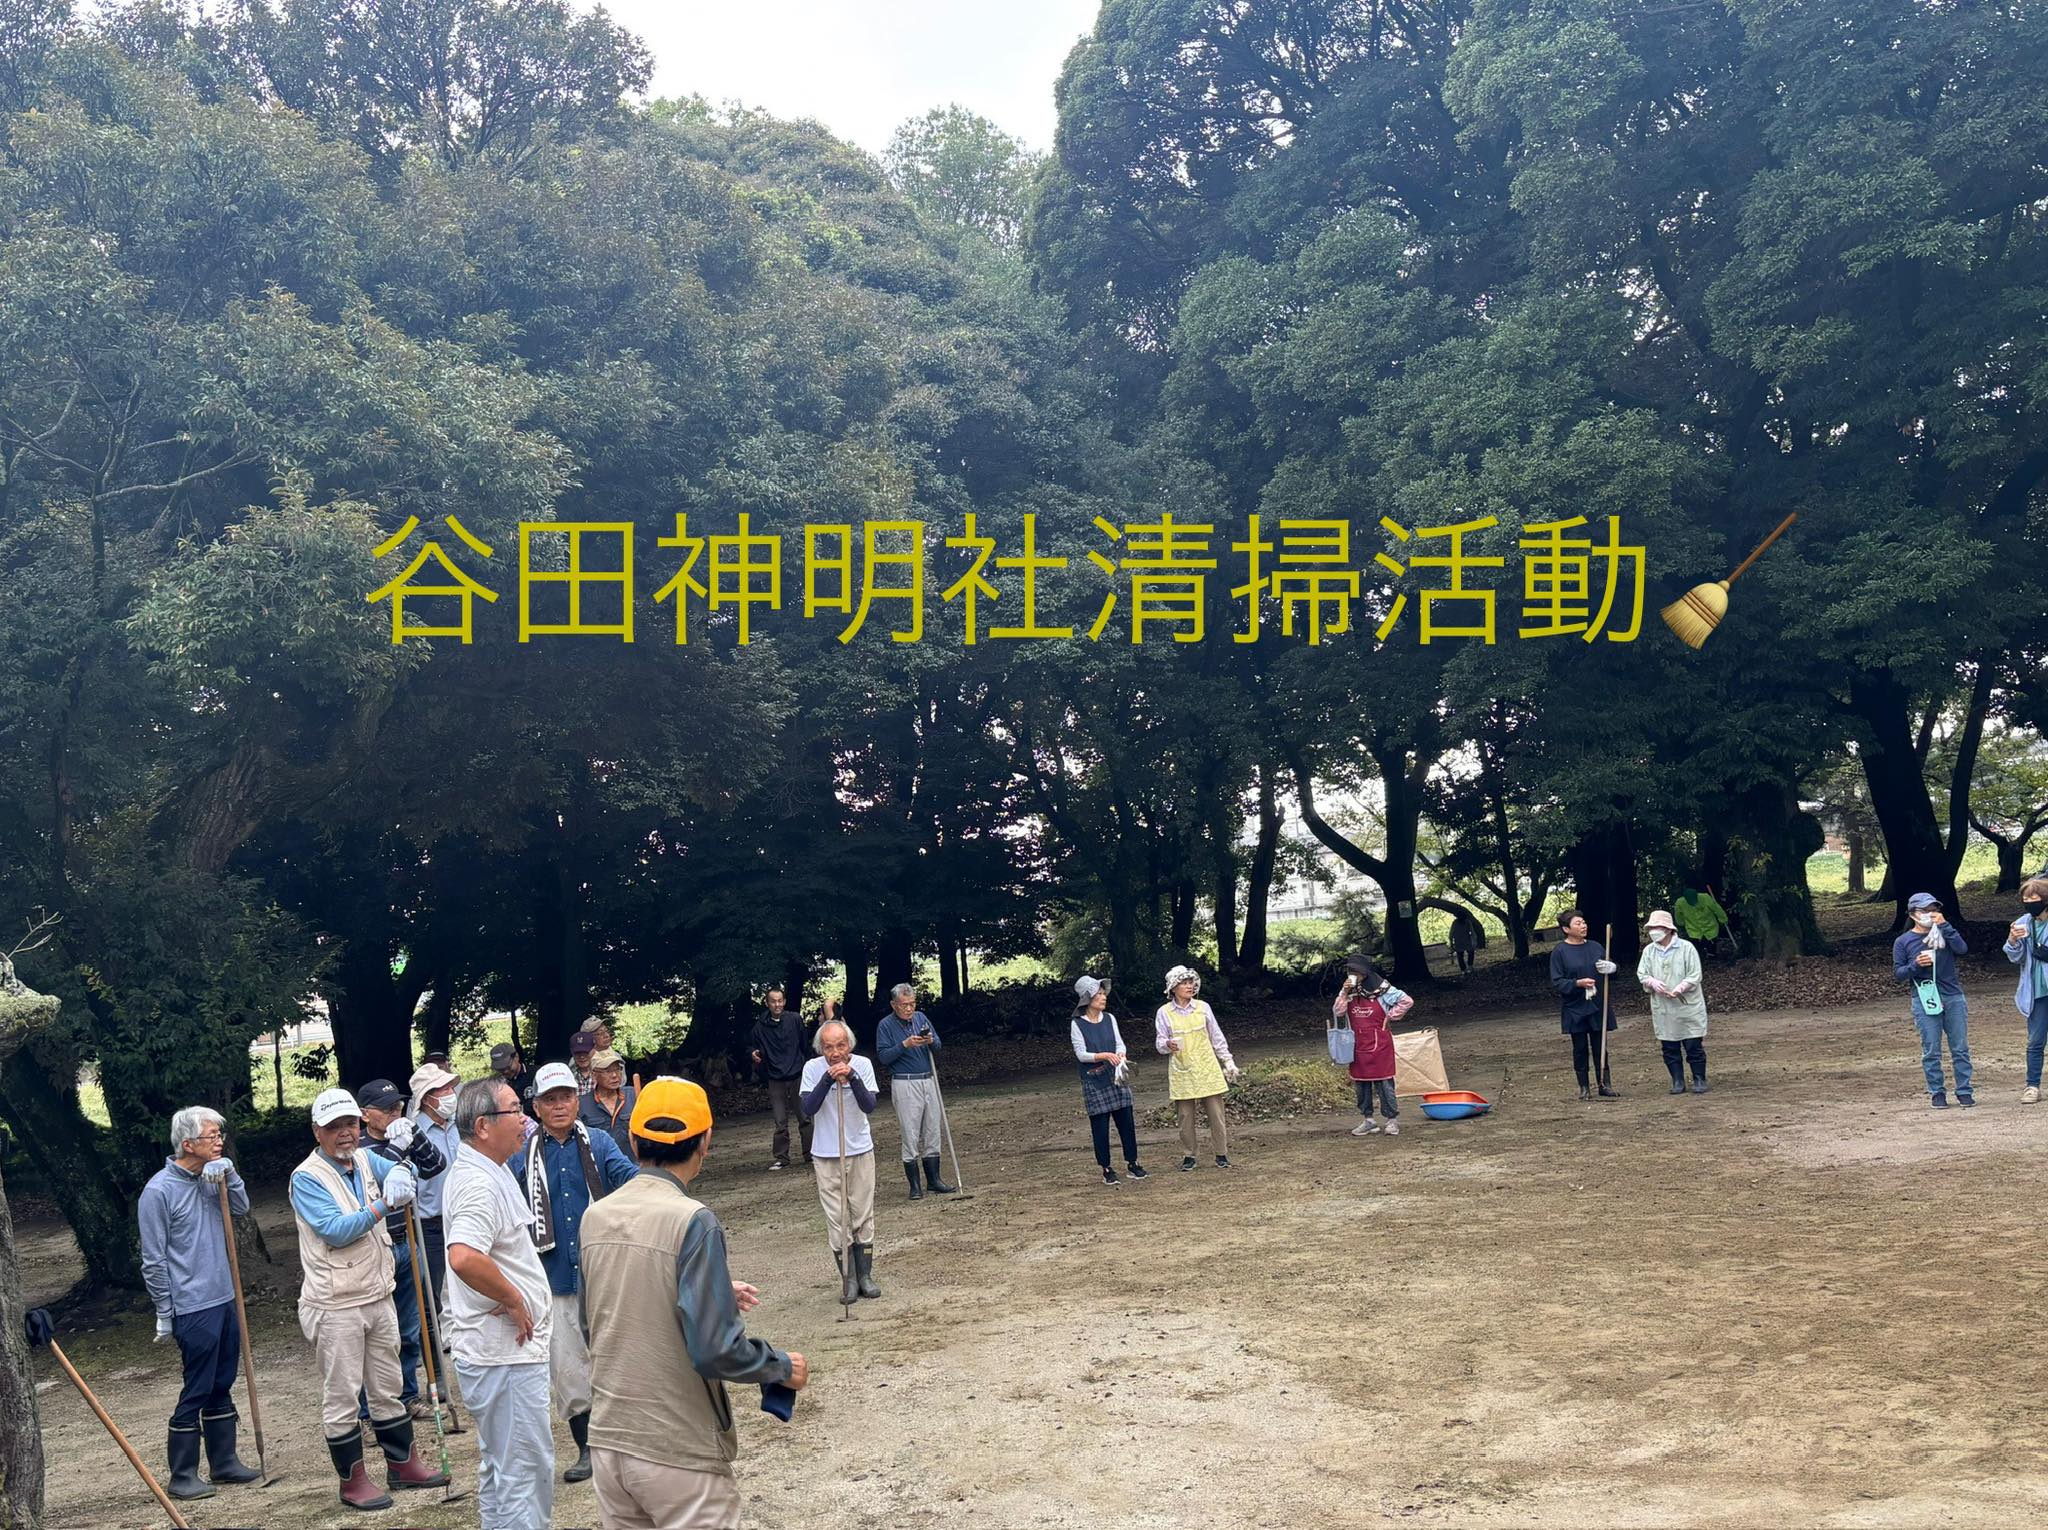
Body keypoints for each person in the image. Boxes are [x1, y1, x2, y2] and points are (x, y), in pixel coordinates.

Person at [580, 1077, 807, 1528]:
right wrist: (781, 1366)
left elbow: (596, 1321)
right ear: (706, 1140)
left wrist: (711, 1288)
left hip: (610, 1443)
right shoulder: (694, 1221)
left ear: (631, 1137)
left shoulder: (596, 1215)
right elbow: (715, 1349)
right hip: (677, 1447)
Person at [289, 1088, 447, 1511]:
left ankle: (402, 1464)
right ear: (317, 1132)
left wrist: (403, 1169)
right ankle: (353, 1480)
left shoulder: (362, 1158)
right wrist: (383, 1203)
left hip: (377, 1293)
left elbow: (404, 1171)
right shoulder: (306, 1177)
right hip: (335, 1301)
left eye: (350, 1125)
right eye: (334, 1127)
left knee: (388, 1384)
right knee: (342, 1394)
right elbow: (337, 1230)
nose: (345, 1133)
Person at [512, 1062, 637, 1485]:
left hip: (603, 1270)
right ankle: (587, 1448)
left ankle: (625, 1437)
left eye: (566, 1096)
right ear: (536, 1106)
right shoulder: (521, 1155)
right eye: (550, 1099)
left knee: (616, 1353)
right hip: (553, 1276)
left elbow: (629, 1179)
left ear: (576, 1099)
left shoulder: (598, 1142)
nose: (560, 1105)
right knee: (567, 1364)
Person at [444, 1075, 556, 1530]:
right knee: (524, 1472)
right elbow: (464, 1256)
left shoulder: (489, 1169)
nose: (525, 1117)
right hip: (503, 1355)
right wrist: (511, 1297)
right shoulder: (478, 1183)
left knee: (504, 1469)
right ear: (485, 1125)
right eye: (515, 1110)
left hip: (501, 1354)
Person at [139, 1106, 260, 1501]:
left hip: (225, 1296)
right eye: (211, 1136)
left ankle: (223, 1461)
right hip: (192, 1305)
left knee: (222, 1381)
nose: (219, 1140)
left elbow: (241, 1209)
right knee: (198, 1385)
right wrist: (163, 1310)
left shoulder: (214, 1177)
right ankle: (182, 1474)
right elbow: (153, 1259)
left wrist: (229, 1173)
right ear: (187, 1143)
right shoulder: (158, 1191)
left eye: (219, 1135)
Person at [358, 1077, 449, 1422]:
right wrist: (397, 1150)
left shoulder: (403, 1132)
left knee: (410, 1327)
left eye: (398, 1106)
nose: (394, 1112)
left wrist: (415, 1135)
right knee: (377, 1332)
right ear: (367, 1115)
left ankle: (409, 1395)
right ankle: (369, 1411)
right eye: (386, 1109)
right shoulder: (360, 1147)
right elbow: (379, 1185)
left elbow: (436, 1165)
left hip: (407, 1241)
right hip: (374, 1248)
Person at [799, 1019, 882, 1298]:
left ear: (850, 1045)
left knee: (862, 1214)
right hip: (825, 1154)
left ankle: (866, 1276)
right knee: (837, 1218)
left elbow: (869, 1105)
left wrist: (853, 1077)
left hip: (859, 1149)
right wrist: (827, 1078)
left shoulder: (863, 1065)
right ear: (820, 1049)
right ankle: (847, 1279)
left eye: (840, 1046)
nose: (835, 1053)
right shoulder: (812, 1069)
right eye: (828, 1047)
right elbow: (808, 1108)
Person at [1155, 965, 1239, 1169]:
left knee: (1216, 1113)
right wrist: (1168, 1044)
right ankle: (1189, 1155)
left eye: (1191, 982)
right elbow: (1159, 1043)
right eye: (1184, 982)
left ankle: (1221, 1153)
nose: (1189, 986)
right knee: (1185, 1116)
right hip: (1182, 1069)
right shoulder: (1164, 1012)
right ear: (1173, 987)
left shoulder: (1203, 1007)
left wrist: (1227, 1061)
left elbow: (1216, 1037)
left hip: (1207, 1067)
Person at [876, 983, 955, 1198]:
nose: (909, 1009)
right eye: (904, 1005)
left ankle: (934, 1180)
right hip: (905, 1082)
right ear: (894, 1005)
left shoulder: (921, 1018)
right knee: (910, 1132)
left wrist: (930, 1040)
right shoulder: (885, 1025)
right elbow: (883, 1057)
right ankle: (914, 1185)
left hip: (928, 1079)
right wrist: (905, 1045)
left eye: (912, 1004)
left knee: (932, 1129)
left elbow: (937, 1045)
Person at [1894, 892, 1972, 1108]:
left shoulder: (1945, 932)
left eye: (1933, 910)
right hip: (1924, 996)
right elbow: (1899, 974)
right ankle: (1937, 1092)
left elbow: (1962, 949)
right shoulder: (1904, 941)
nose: (1930, 914)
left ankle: (1964, 1090)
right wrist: (1916, 965)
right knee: (1931, 1049)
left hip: (1953, 994)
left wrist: (1945, 925)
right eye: (1924, 910)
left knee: (1960, 1047)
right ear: (1913, 914)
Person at [1071, 976, 1145, 1186]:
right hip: (1094, 1080)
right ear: (1088, 998)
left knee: (1126, 1122)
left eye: (1104, 993)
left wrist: (1120, 1054)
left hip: (1117, 1076)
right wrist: (1103, 1055)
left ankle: (1133, 1163)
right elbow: (1081, 1054)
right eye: (1099, 994)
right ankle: (1106, 1168)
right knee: (1100, 1126)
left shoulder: (1110, 1018)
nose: (1104, 997)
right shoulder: (1077, 1024)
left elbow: (1120, 1043)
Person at [407, 1061, 461, 1314]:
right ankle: (438, 1343)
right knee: (434, 1286)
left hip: (463, 1214)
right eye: (443, 1089)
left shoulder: (458, 1124)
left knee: (466, 1282)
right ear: (427, 1099)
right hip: (432, 1223)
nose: (451, 1093)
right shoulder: (411, 1132)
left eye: (451, 1087)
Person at [1336, 959, 1413, 1136]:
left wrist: (1391, 1016)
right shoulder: (1350, 991)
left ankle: (1391, 1120)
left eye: (1356, 972)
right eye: (1350, 972)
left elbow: (1407, 1001)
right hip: (1357, 1044)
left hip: (1380, 1044)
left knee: (1384, 1083)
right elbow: (1338, 1011)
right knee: (1361, 1084)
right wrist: (1344, 991)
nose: (1353, 975)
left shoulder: (1384, 990)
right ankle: (1368, 1120)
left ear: (1365, 973)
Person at [1636, 911, 1709, 1095]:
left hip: (1687, 1004)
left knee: (1693, 1044)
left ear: (1668, 929)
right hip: (1663, 1006)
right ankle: (1677, 1080)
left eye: (1657, 927)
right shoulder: (1649, 951)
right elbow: (1642, 973)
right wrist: (1652, 982)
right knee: (1669, 1045)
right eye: (1651, 928)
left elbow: (1695, 974)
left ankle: (1699, 1078)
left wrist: (1680, 988)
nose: (1653, 931)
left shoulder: (1687, 948)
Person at [1548, 910, 1619, 1098]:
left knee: (1600, 1046)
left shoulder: (1596, 946)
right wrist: (1577, 983)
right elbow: (1557, 982)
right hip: (1575, 1006)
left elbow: (1611, 971)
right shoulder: (1560, 952)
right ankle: (1584, 1088)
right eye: (1578, 923)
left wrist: (1612, 968)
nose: (1583, 925)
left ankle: (1604, 1084)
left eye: (1584, 922)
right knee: (1579, 1048)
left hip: (1597, 1004)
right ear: (1566, 929)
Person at [749, 987, 813, 1170]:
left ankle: (810, 1154)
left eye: (780, 1001)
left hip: (797, 1074)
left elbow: (804, 1044)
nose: (777, 1004)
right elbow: (751, 1047)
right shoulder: (760, 1026)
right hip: (774, 1077)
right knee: (780, 1121)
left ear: (784, 1001)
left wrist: (804, 1066)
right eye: (773, 1001)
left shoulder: (794, 1019)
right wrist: (753, 1054)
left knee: (805, 1117)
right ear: (767, 1003)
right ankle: (782, 1158)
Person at [2005, 877, 2048, 1104]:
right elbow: (2016, 957)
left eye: (2035, 896)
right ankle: (2032, 1086)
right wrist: (2013, 940)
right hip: (2036, 992)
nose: (2030, 901)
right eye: (2026, 897)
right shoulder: (2023, 922)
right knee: (2035, 1041)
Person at [579, 1048, 639, 1159]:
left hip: (633, 1168)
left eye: (618, 1069)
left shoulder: (633, 1095)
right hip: (600, 1169)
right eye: (607, 1071)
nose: (615, 1075)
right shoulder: (582, 1104)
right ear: (594, 1075)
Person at [1673, 886, 1730, 952]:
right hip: (1694, 930)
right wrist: (1681, 923)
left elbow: (1716, 909)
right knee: (1697, 950)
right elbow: (1678, 916)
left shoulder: (1705, 898)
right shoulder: (1680, 903)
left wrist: (1723, 919)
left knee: (1711, 947)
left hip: (1710, 928)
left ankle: (1711, 956)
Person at [491, 1041, 536, 1116]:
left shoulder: (536, 1074)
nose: (505, 1071)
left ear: (516, 1057)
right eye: (500, 1069)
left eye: (508, 1066)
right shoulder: (497, 1084)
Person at [569, 1031, 598, 1097]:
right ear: (572, 1052)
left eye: (586, 1052)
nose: (582, 1056)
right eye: (577, 1053)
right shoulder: (567, 1076)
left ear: (594, 1049)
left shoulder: (603, 1073)